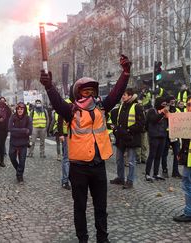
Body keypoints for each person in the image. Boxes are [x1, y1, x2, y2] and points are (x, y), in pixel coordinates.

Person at [40, 55, 131, 243]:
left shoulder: (102, 108)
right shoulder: (70, 110)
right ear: (77, 93)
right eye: (85, 92)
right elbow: (57, 102)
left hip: (98, 166)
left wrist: (126, 73)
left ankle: (102, 239)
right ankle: (83, 239)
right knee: (79, 207)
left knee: (101, 207)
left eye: (91, 91)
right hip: (78, 168)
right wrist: (49, 87)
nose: (88, 95)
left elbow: (115, 93)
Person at [110, 88, 145, 189]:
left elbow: (142, 123)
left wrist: (129, 130)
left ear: (130, 96)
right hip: (121, 137)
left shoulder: (137, 106)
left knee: (131, 161)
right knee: (119, 159)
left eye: (124, 95)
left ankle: (130, 181)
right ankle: (120, 178)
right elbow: (118, 121)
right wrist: (116, 129)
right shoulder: (122, 106)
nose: (123, 96)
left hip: (131, 138)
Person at [145, 97, 168, 182]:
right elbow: (154, 120)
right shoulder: (152, 111)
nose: (165, 106)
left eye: (165, 105)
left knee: (159, 155)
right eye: (163, 104)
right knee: (152, 155)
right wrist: (163, 113)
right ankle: (147, 174)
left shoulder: (165, 112)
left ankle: (156, 173)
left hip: (162, 136)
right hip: (154, 136)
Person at [8, 102, 32, 184]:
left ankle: (19, 176)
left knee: (22, 161)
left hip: (23, 143)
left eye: (21, 109)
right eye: (18, 109)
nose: (20, 110)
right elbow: (10, 129)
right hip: (13, 142)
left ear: (24, 109)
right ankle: (19, 169)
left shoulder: (28, 118)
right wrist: (23, 130)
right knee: (12, 157)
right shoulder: (13, 117)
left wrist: (17, 131)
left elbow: (30, 131)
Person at [161, 96, 181, 178]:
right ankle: (164, 170)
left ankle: (175, 172)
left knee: (177, 153)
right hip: (166, 134)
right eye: (171, 101)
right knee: (164, 153)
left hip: (174, 134)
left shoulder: (177, 110)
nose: (173, 103)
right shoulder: (164, 110)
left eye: (174, 101)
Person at [57, 98, 73, 190]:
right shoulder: (67, 103)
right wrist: (61, 134)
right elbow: (60, 118)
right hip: (67, 134)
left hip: (75, 135)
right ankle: (65, 181)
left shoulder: (79, 102)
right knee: (67, 158)